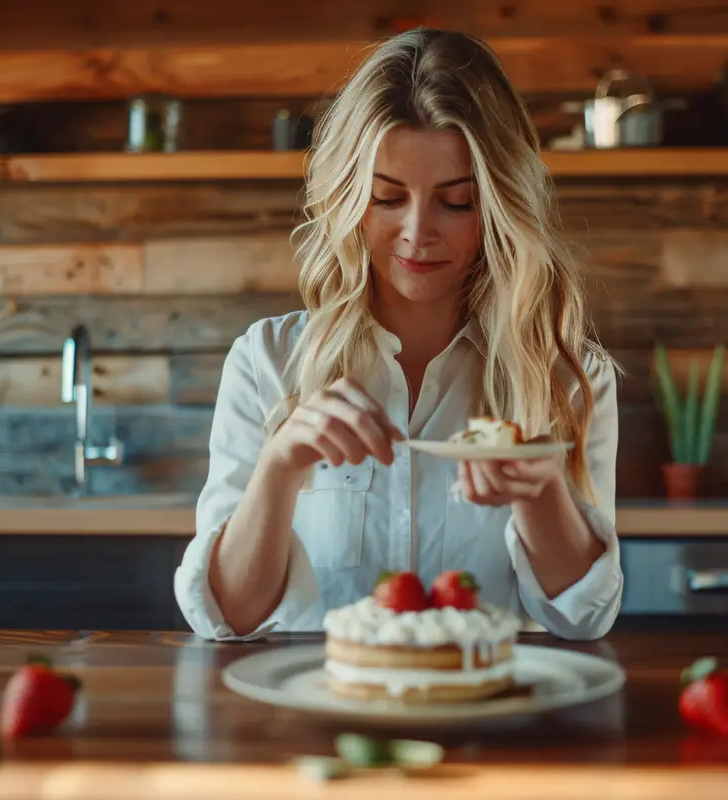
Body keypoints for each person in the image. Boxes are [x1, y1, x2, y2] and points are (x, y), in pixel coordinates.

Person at [174, 27, 623, 642]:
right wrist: (278, 467)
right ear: (350, 198)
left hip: (492, 721)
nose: (418, 232)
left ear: (497, 207)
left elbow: (585, 620)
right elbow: (227, 619)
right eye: (387, 198)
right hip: (316, 716)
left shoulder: (568, 377)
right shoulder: (267, 361)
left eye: (457, 202)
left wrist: (543, 493)